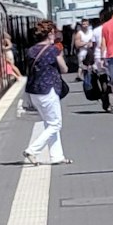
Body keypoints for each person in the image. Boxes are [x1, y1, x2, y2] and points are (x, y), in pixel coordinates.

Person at [22, 20, 70, 165]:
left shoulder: (30, 51)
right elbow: (64, 69)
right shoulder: (53, 50)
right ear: (50, 34)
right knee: (55, 124)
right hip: (49, 90)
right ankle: (32, 150)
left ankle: (57, 156)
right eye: (54, 33)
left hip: (35, 92)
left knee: (50, 123)